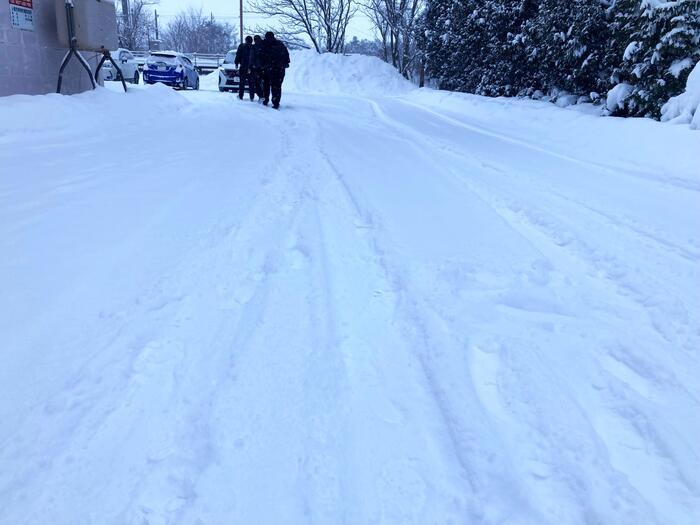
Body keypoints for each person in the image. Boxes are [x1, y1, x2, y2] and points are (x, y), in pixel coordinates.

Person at [260, 31, 290, 109]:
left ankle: (265, 100)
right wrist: (285, 64)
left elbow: (259, 56)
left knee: (265, 85)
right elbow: (286, 55)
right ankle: (276, 102)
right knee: (276, 86)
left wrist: (260, 66)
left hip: (266, 69)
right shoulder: (280, 44)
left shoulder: (263, 44)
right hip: (278, 69)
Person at [234, 36, 255, 100]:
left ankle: (241, 96)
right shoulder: (253, 47)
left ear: (246, 40)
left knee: (242, 83)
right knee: (251, 83)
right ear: (252, 41)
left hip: (243, 67)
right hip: (251, 68)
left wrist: (236, 63)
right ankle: (251, 97)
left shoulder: (242, 46)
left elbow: (238, 55)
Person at [249, 35, 265, 101]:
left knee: (257, 83)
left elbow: (251, 57)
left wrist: (250, 65)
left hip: (256, 67)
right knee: (265, 83)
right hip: (265, 67)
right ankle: (264, 96)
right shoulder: (264, 46)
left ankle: (261, 96)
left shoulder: (254, 47)